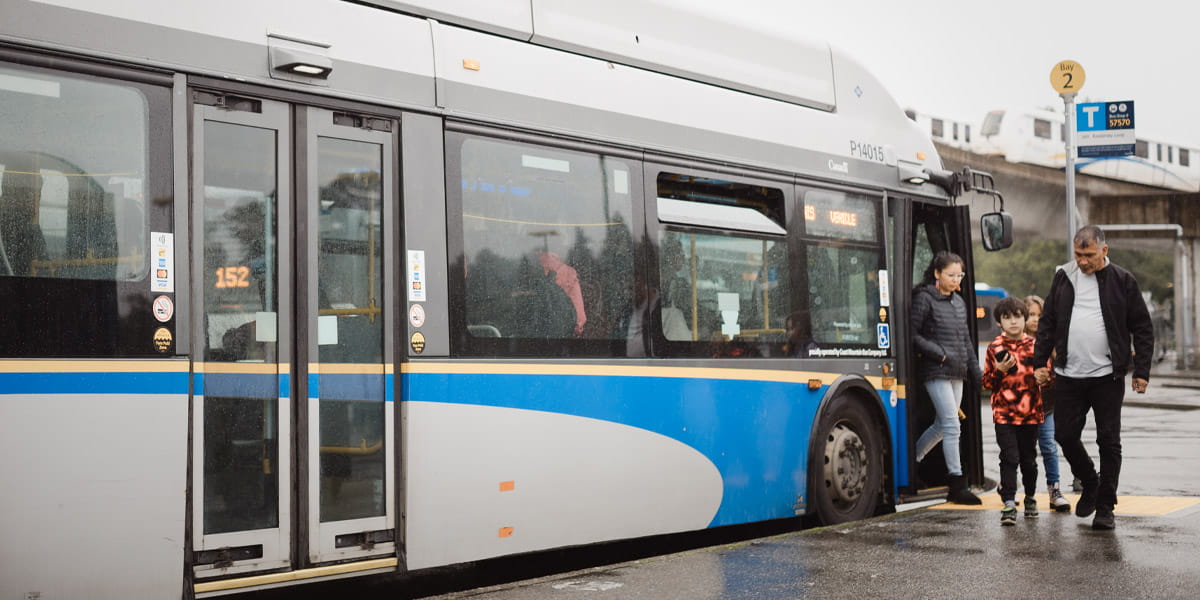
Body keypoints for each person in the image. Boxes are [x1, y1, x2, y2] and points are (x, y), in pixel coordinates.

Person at [1033, 225, 1154, 530]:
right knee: (1064, 435)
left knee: (1108, 441)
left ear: (1104, 250)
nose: (1083, 261)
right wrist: (1040, 362)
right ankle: (1090, 480)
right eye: (1078, 254)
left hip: (1107, 376)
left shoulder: (1123, 280)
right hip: (1068, 375)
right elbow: (1047, 323)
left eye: (1088, 255)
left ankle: (1105, 506)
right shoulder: (1064, 276)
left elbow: (1142, 326)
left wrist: (1142, 372)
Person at [911, 251, 982, 504]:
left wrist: (977, 375)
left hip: (957, 371)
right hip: (936, 371)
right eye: (951, 275)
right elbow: (913, 334)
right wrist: (940, 355)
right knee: (953, 425)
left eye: (959, 275)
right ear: (937, 273)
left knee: (942, 426)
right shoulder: (924, 298)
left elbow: (966, 342)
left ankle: (912, 463)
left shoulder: (959, 302)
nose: (955, 279)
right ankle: (957, 483)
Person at [982, 297, 1044, 525]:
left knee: (1029, 460)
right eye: (1007, 318)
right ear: (999, 322)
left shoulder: (1036, 345)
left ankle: (1030, 497)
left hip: (1031, 414)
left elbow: (1047, 377)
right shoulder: (995, 347)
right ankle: (1009, 502)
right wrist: (998, 370)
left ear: (1025, 318)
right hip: (1004, 414)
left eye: (1017, 316)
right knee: (1009, 457)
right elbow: (987, 383)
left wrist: (1044, 377)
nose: (1013, 322)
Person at [1024, 295, 1071, 512]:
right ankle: (1008, 486)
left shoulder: (1052, 343)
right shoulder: (1016, 342)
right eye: (1030, 315)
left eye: (1039, 315)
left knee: (1049, 447)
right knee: (1020, 449)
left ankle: (1054, 490)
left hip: (1047, 406)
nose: (1035, 320)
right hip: (1022, 406)